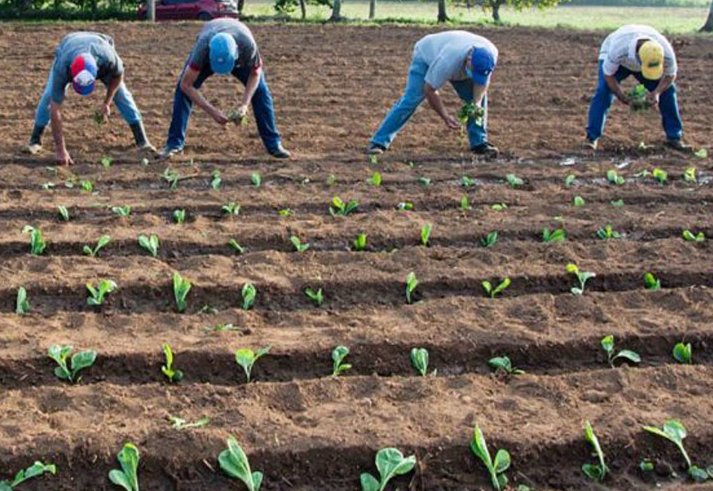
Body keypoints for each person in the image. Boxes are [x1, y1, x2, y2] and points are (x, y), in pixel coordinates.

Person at [159, 18, 289, 160]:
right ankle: (174, 144)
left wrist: (244, 105)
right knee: (182, 91)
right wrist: (212, 111)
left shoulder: (248, 47)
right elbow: (186, 85)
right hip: (209, 45)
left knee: (260, 91)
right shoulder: (202, 49)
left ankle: (274, 144)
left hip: (239, 52)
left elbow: (255, 74)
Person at [24, 32, 155, 166]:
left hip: (99, 43)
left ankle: (142, 140)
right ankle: (35, 139)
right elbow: (55, 107)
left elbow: (118, 75)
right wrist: (60, 150)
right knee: (48, 97)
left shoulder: (108, 58)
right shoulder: (63, 66)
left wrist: (107, 103)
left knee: (122, 94)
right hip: (69, 44)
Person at [367, 30, 499, 158]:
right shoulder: (447, 61)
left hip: (455, 56)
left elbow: (482, 84)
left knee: (478, 102)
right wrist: (445, 116)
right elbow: (429, 89)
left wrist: (476, 103)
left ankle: (479, 143)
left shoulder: (490, 54)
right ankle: (378, 142)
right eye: (473, 71)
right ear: (469, 59)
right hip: (427, 54)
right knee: (411, 99)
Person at [585, 24, 690, 151]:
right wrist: (620, 95)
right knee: (603, 91)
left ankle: (674, 137)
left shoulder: (665, 51)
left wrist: (657, 92)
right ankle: (592, 137)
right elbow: (608, 75)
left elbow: (670, 75)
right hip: (617, 60)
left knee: (668, 91)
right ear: (638, 57)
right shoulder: (618, 50)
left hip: (638, 55)